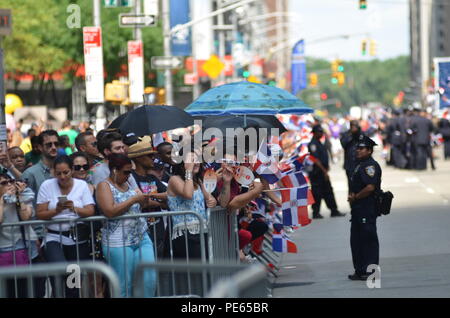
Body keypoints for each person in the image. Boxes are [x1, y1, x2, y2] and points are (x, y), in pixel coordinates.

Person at [96, 153, 156, 298]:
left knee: (149, 280)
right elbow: (109, 211)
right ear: (115, 170)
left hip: (141, 238)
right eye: (126, 172)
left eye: (130, 171)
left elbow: (140, 204)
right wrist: (134, 199)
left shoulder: (128, 183)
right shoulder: (104, 186)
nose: (129, 175)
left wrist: (145, 200)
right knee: (123, 286)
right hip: (118, 243)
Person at [36, 155, 95, 297]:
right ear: (53, 173)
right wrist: (56, 210)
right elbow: (40, 213)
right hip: (53, 236)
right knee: (61, 272)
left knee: (73, 284)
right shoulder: (47, 185)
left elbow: (90, 210)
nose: (62, 177)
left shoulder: (81, 185)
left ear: (72, 171)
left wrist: (74, 208)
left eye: (66, 172)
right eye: (58, 173)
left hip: (76, 238)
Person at [167, 148, 216, 260]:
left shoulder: (197, 181)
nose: (196, 162)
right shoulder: (174, 180)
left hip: (201, 232)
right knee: (195, 273)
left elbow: (211, 199)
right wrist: (188, 171)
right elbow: (188, 194)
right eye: (192, 159)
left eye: (198, 159)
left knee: (206, 270)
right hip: (185, 235)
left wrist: (212, 201)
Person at [347, 135, 382, 281]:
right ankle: (360, 270)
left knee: (368, 239)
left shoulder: (369, 166)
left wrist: (355, 197)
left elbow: (370, 187)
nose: (358, 151)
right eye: (357, 148)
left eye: (361, 148)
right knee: (356, 240)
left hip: (366, 207)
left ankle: (371, 272)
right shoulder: (359, 164)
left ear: (369, 150)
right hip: (358, 209)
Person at [128, 136, 168, 258]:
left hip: (159, 230)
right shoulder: (131, 178)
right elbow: (142, 202)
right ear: (139, 158)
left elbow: (170, 196)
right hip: (142, 233)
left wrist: (151, 197)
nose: (153, 159)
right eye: (150, 156)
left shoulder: (153, 178)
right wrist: (159, 202)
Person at [0, 174, 36, 298]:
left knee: (26, 290)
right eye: (4, 183)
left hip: (25, 247)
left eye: (11, 181)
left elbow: (25, 217)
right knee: (8, 291)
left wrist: (18, 198)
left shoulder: (24, 195)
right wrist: (2, 201)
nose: (9, 185)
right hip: (4, 249)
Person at [308, 125, 344, 219]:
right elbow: (315, 160)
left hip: (323, 171)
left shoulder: (320, 143)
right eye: (319, 132)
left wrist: (326, 169)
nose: (321, 134)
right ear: (314, 133)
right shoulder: (313, 144)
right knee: (317, 193)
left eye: (321, 132)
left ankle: (334, 210)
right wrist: (325, 171)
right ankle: (316, 212)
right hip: (317, 173)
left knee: (328, 191)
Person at [22, 130, 59, 201]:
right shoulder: (30, 174)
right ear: (40, 147)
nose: (54, 147)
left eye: (56, 144)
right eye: (49, 145)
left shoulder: (64, 170)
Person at [340, 120, 365, 193]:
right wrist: (351, 135)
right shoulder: (346, 134)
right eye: (353, 126)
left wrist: (358, 133)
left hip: (360, 164)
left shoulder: (361, 134)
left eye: (356, 126)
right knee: (351, 185)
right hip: (350, 165)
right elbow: (343, 144)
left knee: (362, 184)